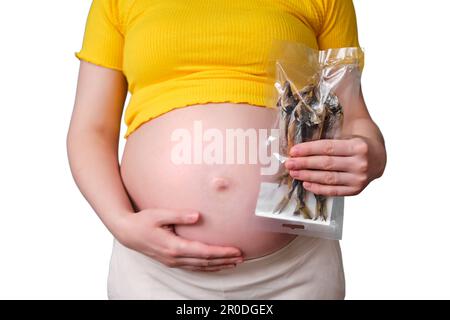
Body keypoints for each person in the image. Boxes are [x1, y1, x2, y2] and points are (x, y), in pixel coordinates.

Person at [67, 0, 386, 299]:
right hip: (155, 275)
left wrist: (371, 153)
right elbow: (91, 130)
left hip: (295, 271)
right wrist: (120, 222)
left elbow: (353, 115)